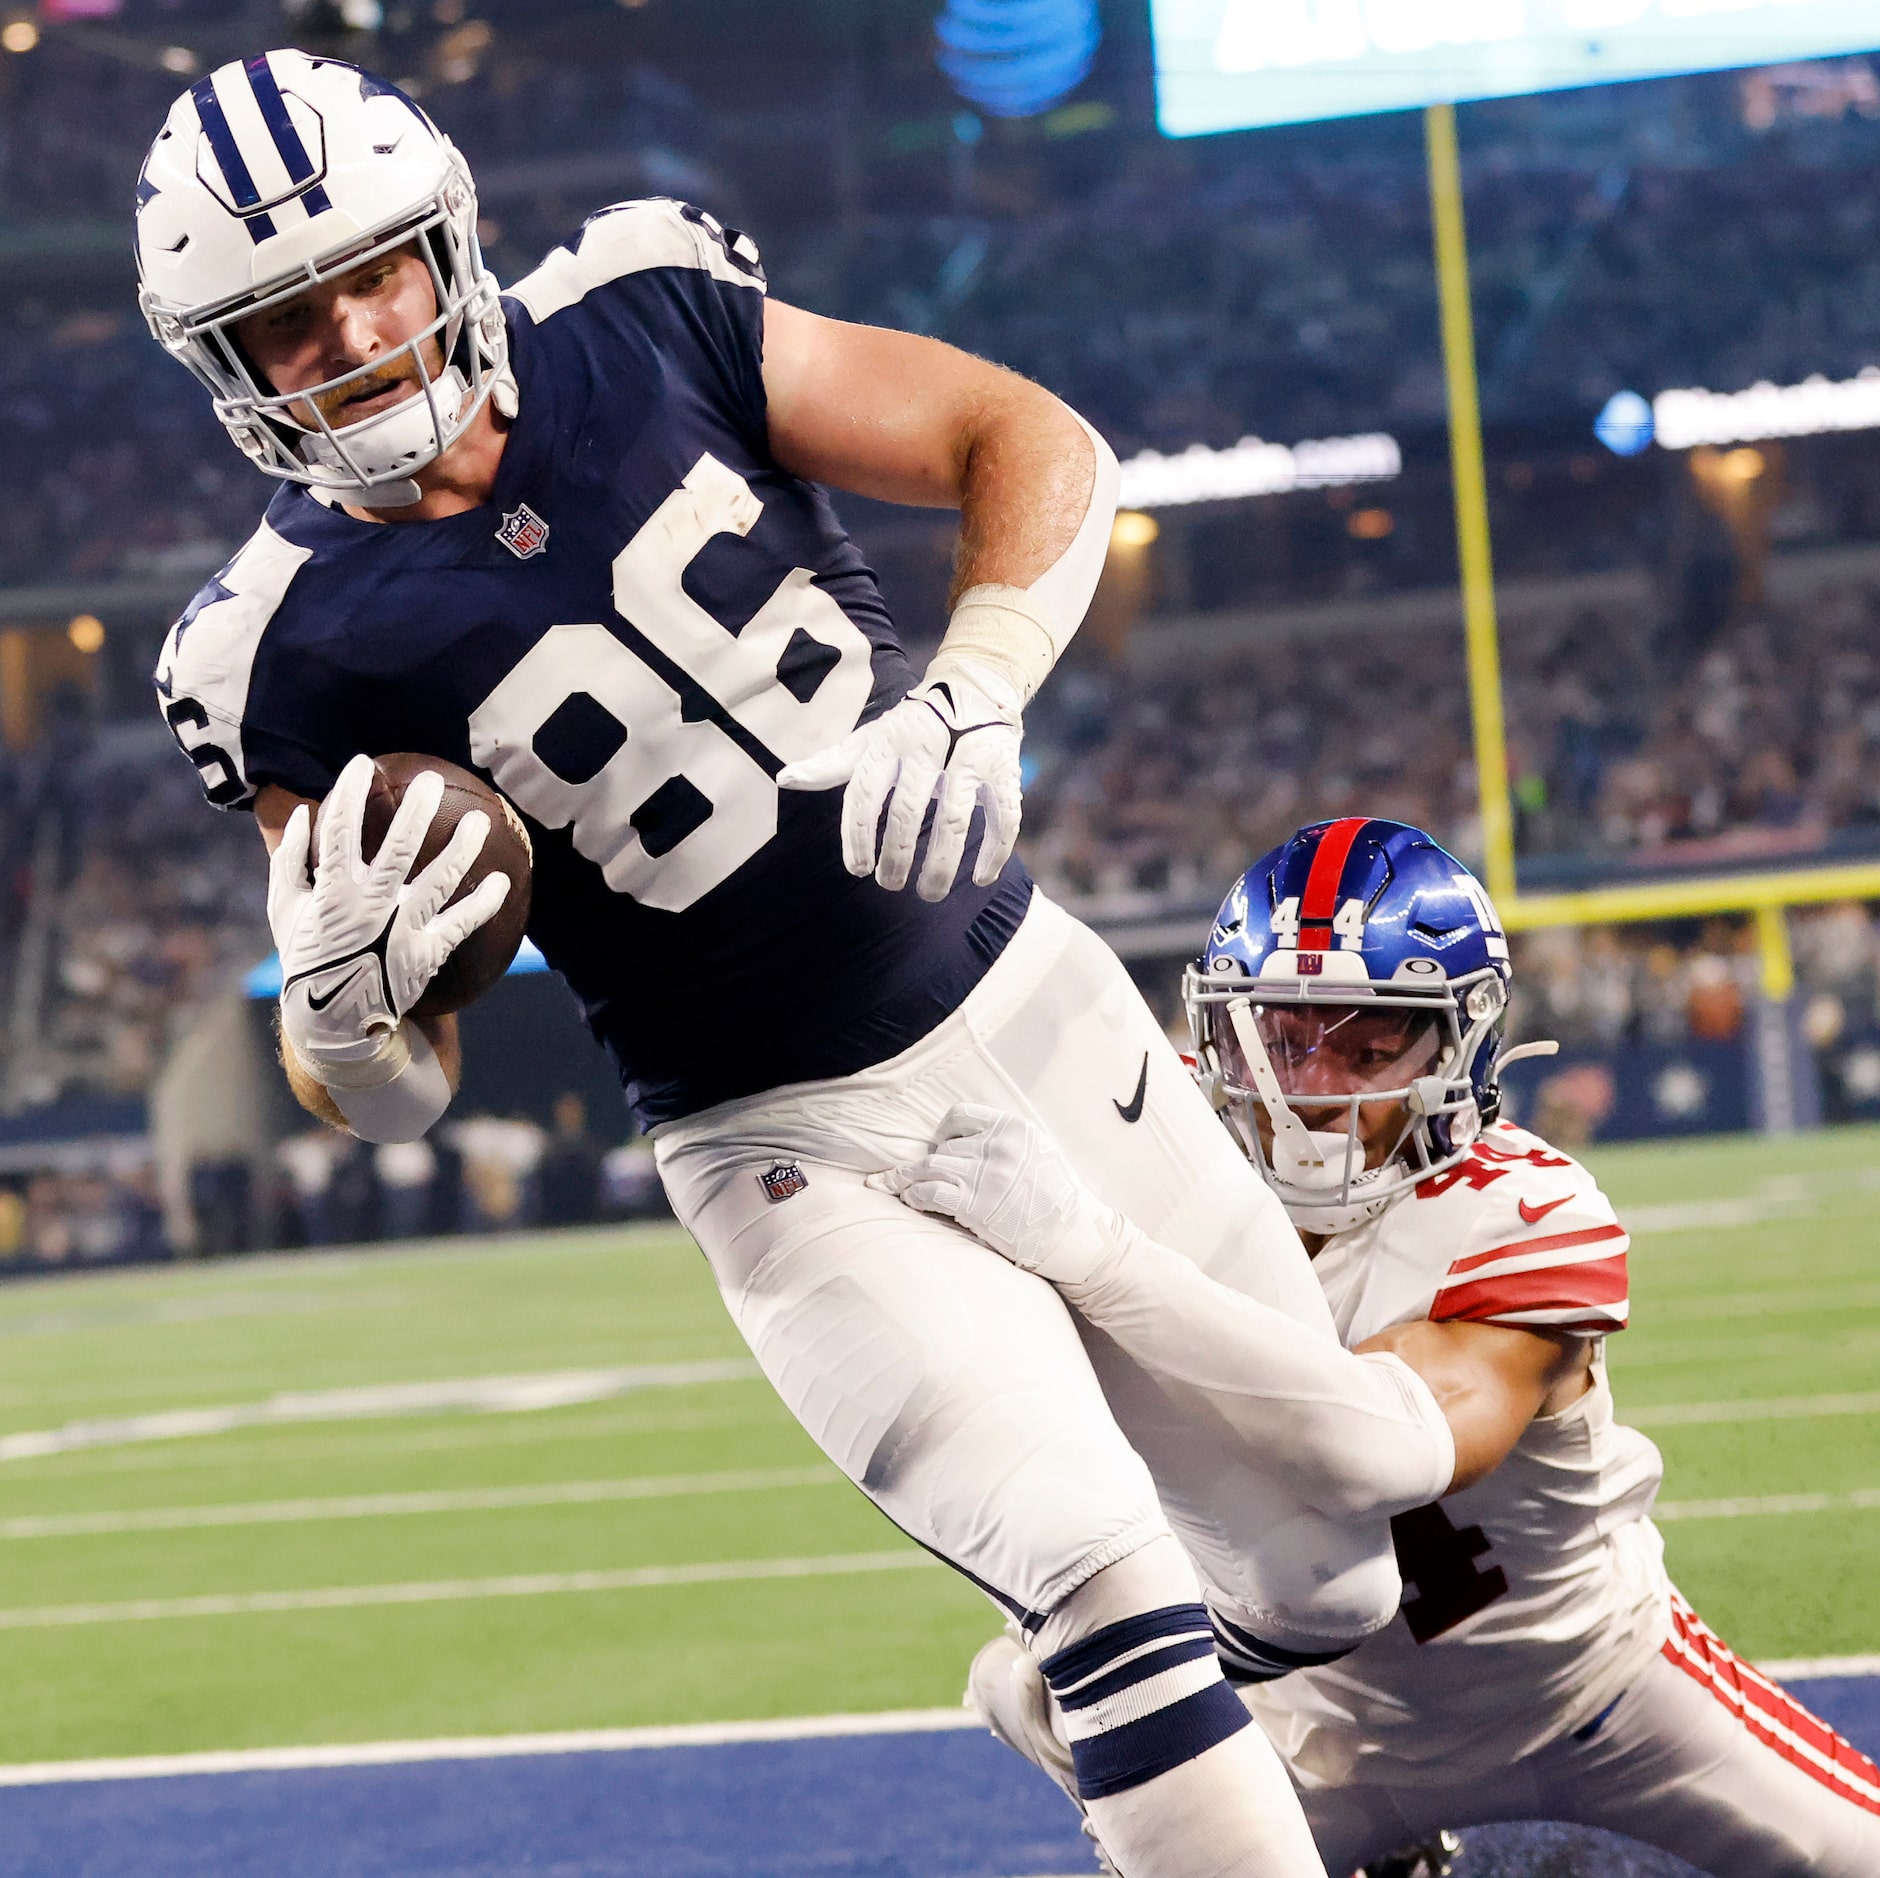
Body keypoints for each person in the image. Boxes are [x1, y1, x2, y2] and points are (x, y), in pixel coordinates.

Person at [138, 55, 1456, 1875]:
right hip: (792, 1140)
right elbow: (380, 1080)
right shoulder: (262, 652)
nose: (351, 333)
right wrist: (351, 1028)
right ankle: (1122, 1705)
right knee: (1101, 1566)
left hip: (1029, 992)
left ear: (446, 235)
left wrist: (979, 683)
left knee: (1331, 1564)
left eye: (370, 270)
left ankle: (1065, 1710)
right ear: (225, 365)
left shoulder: (644, 309)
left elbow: (1027, 436)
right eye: (282, 319)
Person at [886, 818, 1880, 1878]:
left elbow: (1366, 1453)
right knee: (1033, 1683)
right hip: (1321, 1748)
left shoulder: (1523, 1211)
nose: (1314, 1085)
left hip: (1596, 1695)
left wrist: (1093, 1251)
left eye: (1368, 1043)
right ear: (1218, 1033)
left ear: (1462, 1045)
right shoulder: (1159, 1147)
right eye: (1281, 1036)